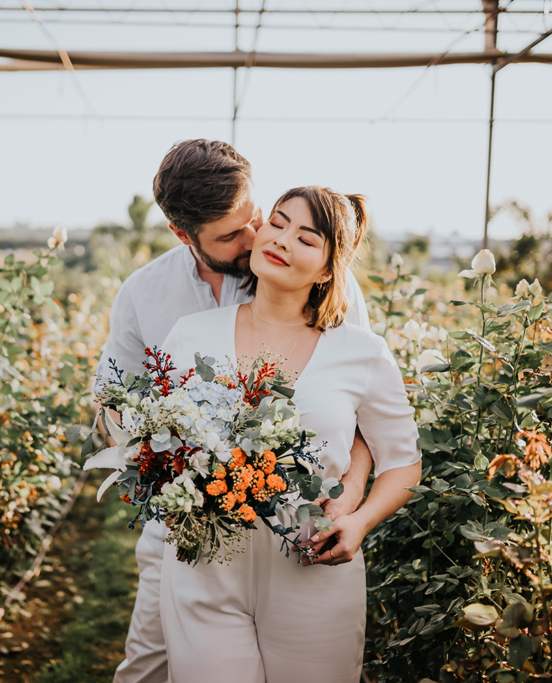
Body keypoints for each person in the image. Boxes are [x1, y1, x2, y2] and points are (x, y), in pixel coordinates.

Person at [95, 140, 375, 683]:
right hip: (182, 531)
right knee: (147, 669)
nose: (256, 239)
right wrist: (158, 466)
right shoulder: (143, 296)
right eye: (230, 235)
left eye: (254, 216)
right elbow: (112, 406)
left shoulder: (323, 281)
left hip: (299, 526)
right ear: (183, 235)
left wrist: (352, 499)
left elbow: (364, 407)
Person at [158, 186, 421, 682]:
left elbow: (403, 463)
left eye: (306, 237)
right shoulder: (190, 335)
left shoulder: (360, 352)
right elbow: (157, 440)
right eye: (277, 223)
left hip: (313, 566)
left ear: (327, 269)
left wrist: (360, 522)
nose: (281, 240)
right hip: (205, 567)